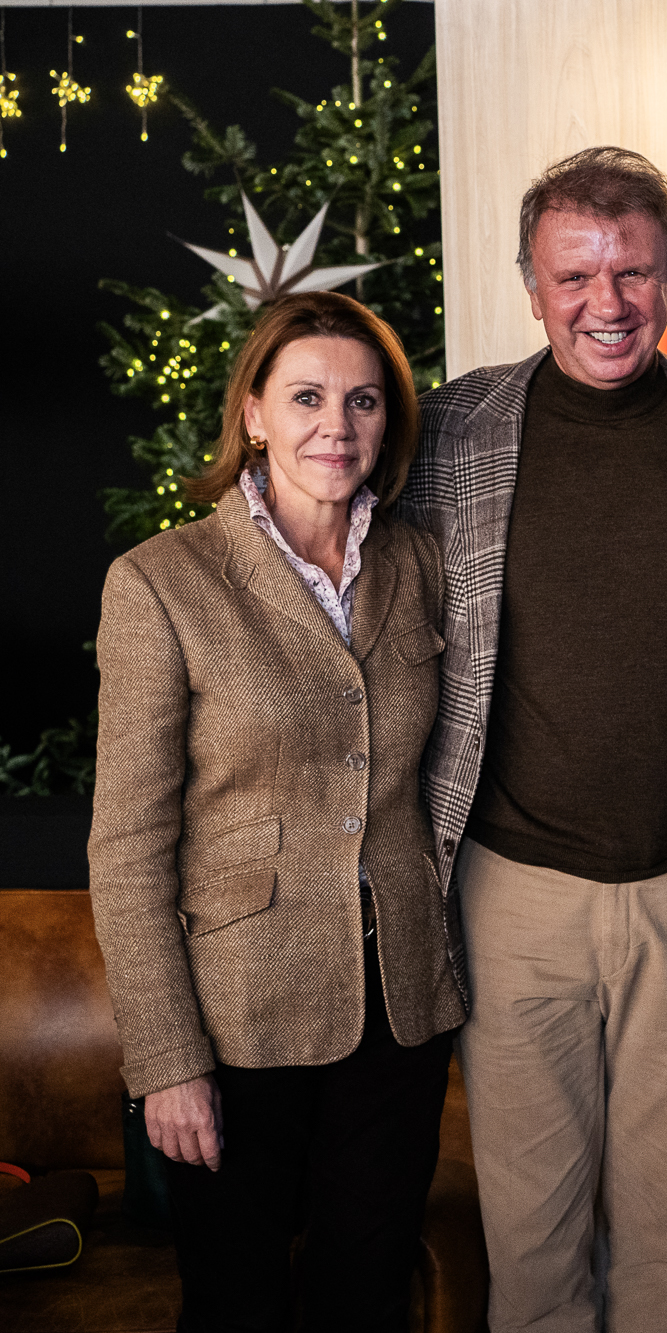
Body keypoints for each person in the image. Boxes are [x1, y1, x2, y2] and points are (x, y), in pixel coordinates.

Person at [397, 146, 667, 1331]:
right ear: (531, 283)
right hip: (511, 891)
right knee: (531, 1244)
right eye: (574, 276)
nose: (604, 304)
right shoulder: (448, 433)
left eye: (631, 272)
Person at [88, 291, 462, 1332]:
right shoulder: (162, 582)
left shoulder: (421, 563)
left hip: (401, 1008)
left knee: (368, 1296)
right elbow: (125, 847)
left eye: (362, 402)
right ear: (252, 412)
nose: (334, 428)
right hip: (238, 1013)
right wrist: (166, 1062)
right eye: (305, 398)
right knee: (236, 1304)